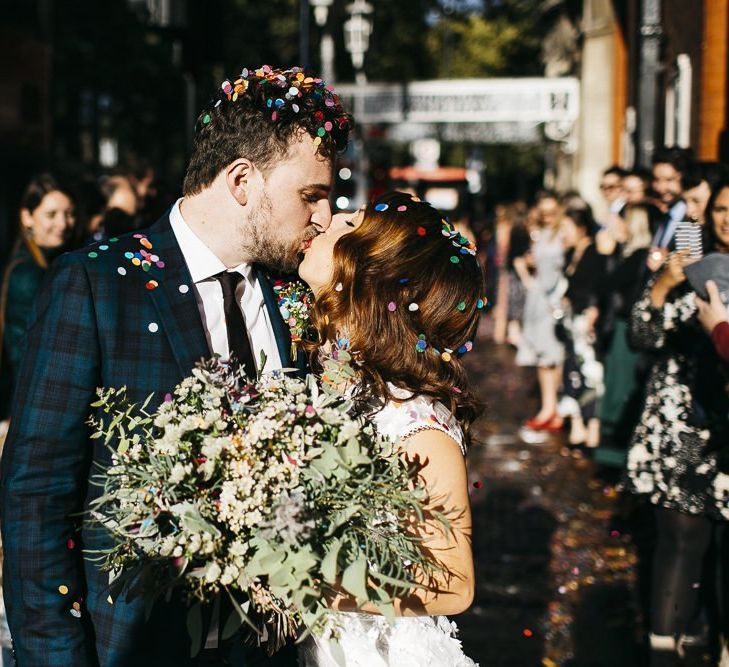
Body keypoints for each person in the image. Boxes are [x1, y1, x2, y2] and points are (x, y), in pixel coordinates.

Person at [0, 65, 352, 667]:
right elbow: (36, 499)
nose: (323, 216)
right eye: (310, 196)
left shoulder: (293, 296)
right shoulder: (96, 285)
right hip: (131, 646)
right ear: (243, 181)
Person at [297, 191, 480, 666]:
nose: (330, 219)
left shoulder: (415, 422)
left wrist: (297, 579)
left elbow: (453, 582)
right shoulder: (336, 374)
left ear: (368, 271)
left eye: (349, 222)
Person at [623, 180, 729, 666]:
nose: (726, 217)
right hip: (680, 420)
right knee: (680, 538)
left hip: (723, 424)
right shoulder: (689, 255)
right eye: (723, 209)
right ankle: (663, 649)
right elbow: (642, 335)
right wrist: (665, 283)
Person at [0, 174, 77, 418]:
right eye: (51, 214)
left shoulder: (49, 262)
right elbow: (24, 352)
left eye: (69, 213)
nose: (63, 223)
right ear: (27, 217)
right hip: (34, 405)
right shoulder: (27, 273)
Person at [557, 207, 605, 455]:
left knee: (590, 374)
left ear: (581, 227)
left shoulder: (594, 252)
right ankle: (577, 426)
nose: (563, 234)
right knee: (572, 372)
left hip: (586, 320)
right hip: (571, 320)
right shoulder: (571, 253)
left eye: (567, 228)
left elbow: (598, 285)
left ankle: (592, 427)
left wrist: (593, 310)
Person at [516, 191, 565, 431]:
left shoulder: (563, 233)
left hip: (553, 301)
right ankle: (549, 407)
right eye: (543, 212)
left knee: (553, 356)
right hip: (537, 299)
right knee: (543, 360)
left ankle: (556, 409)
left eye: (551, 212)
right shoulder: (541, 234)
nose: (547, 217)